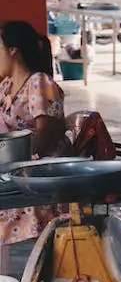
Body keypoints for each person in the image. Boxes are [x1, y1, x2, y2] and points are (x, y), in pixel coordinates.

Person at [0, 21, 70, 251]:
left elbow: (45, 136)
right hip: (13, 173)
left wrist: (14, 164)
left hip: (36, 183)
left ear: (12, 50)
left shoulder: (39, 82)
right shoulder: (6, 87)